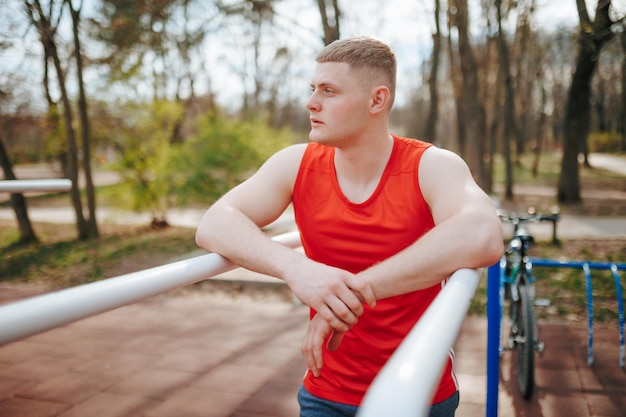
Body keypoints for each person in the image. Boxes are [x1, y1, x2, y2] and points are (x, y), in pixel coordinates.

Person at [195, 36, 504, 417]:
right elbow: (213, 223)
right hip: (325, 392)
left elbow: (483, 234)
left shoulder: (431, 165)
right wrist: (298, 269)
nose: (311, 102)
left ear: (377, 100)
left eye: (329, 91)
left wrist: (351, 294)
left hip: (418, 391)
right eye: (312, 89)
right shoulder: (296, 163)